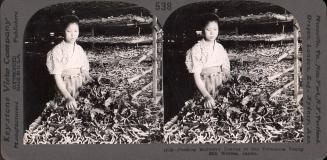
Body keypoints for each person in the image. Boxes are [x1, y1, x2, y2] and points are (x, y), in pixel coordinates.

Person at [46, 15, 92, 111]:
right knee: (65, 109)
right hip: (65, 85)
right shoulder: (57, 50)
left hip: (79, 84)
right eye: (69, 31)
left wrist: (88, 78)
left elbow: (84, 69)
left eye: (76, 31)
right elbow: (57, 77)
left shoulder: (79, 49)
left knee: (82, 109)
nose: (73, 35)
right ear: (63, 31)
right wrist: (67, 97)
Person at [185, 13, 231, 108]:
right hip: (204, 85)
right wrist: (206, 96)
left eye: (215, 29)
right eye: (208, 30)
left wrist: (226, 74)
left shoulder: (220, 47)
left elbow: (225, 64)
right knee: (206, 108)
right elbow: (196, 76)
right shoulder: (197, 49)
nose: (212, 33)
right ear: (202, 30)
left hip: (219, 84)